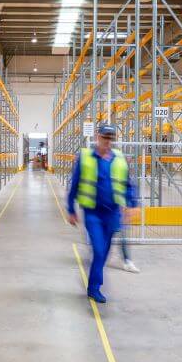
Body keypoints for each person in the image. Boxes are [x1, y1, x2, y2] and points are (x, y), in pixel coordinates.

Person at [66, 124, 138, 303]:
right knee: (98, 250)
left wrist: (133, 204)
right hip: (93, 213)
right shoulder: (85, 158)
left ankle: (93, 284)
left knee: (104, 253)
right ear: (97, 137)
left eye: (110, 138)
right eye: (105, 137)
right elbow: (74, 185)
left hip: (113, 213)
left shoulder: (119, 159)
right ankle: (94, 287)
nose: (107, 141)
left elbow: (127, 184)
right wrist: (70, 209)